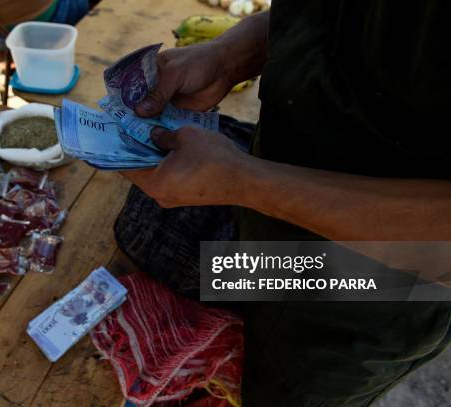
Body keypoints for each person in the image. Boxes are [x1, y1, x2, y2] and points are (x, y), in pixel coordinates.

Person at [113, 1, 451, 406]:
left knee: (287, 389)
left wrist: (246, 182)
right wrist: (227, 57)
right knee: (238, 336)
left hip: (373, 293)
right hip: (269, 223)